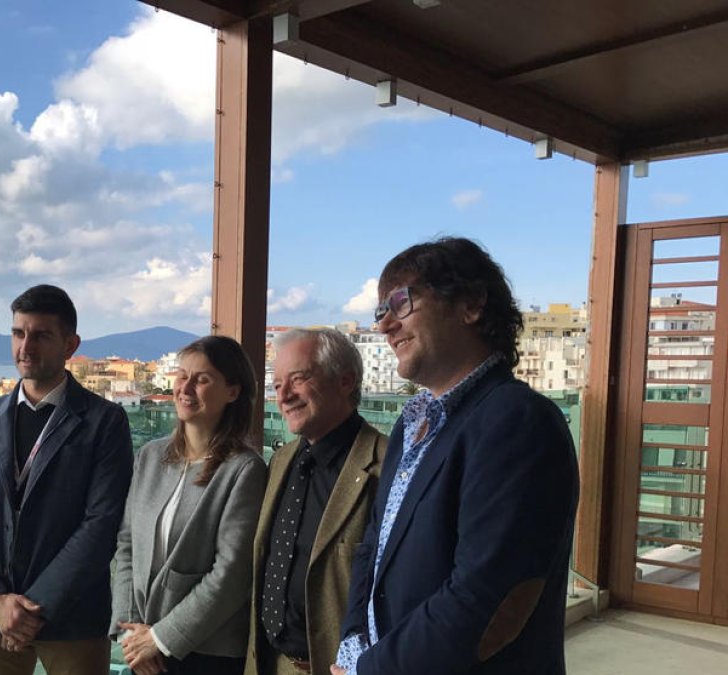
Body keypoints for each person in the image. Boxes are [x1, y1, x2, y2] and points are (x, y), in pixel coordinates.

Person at [333, 237, 579, 675]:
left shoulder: (517, 421)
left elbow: (487, 598)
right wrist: (354, 644)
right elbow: (373, 547)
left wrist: (370, 670)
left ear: (470, 304)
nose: (385, 325)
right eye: (379, 312)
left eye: (401, 302)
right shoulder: (412, 422)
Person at [0, 284, 134, 675]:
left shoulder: (104, 421)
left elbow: (101, 524)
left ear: (70, 344)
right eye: (18, 333)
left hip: (72, 620)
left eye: (41, 335)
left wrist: (32, 609)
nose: (25, 347)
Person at [111, 335, 266, 675]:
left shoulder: (245, 470)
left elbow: (232, 574)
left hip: (207, 654)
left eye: (203, 379)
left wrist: (162, 638)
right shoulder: (150, 456)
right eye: (182, 375)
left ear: (233, 392)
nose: (186, 387)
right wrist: (132, 631)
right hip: (142, 648)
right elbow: (126, 545)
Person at [244, 329, 388, 675]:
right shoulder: (282, 462)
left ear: (345, 380)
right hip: (265, 663)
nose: (285, 396)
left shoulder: (387, 465)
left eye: (299, 379)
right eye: (277, 386)